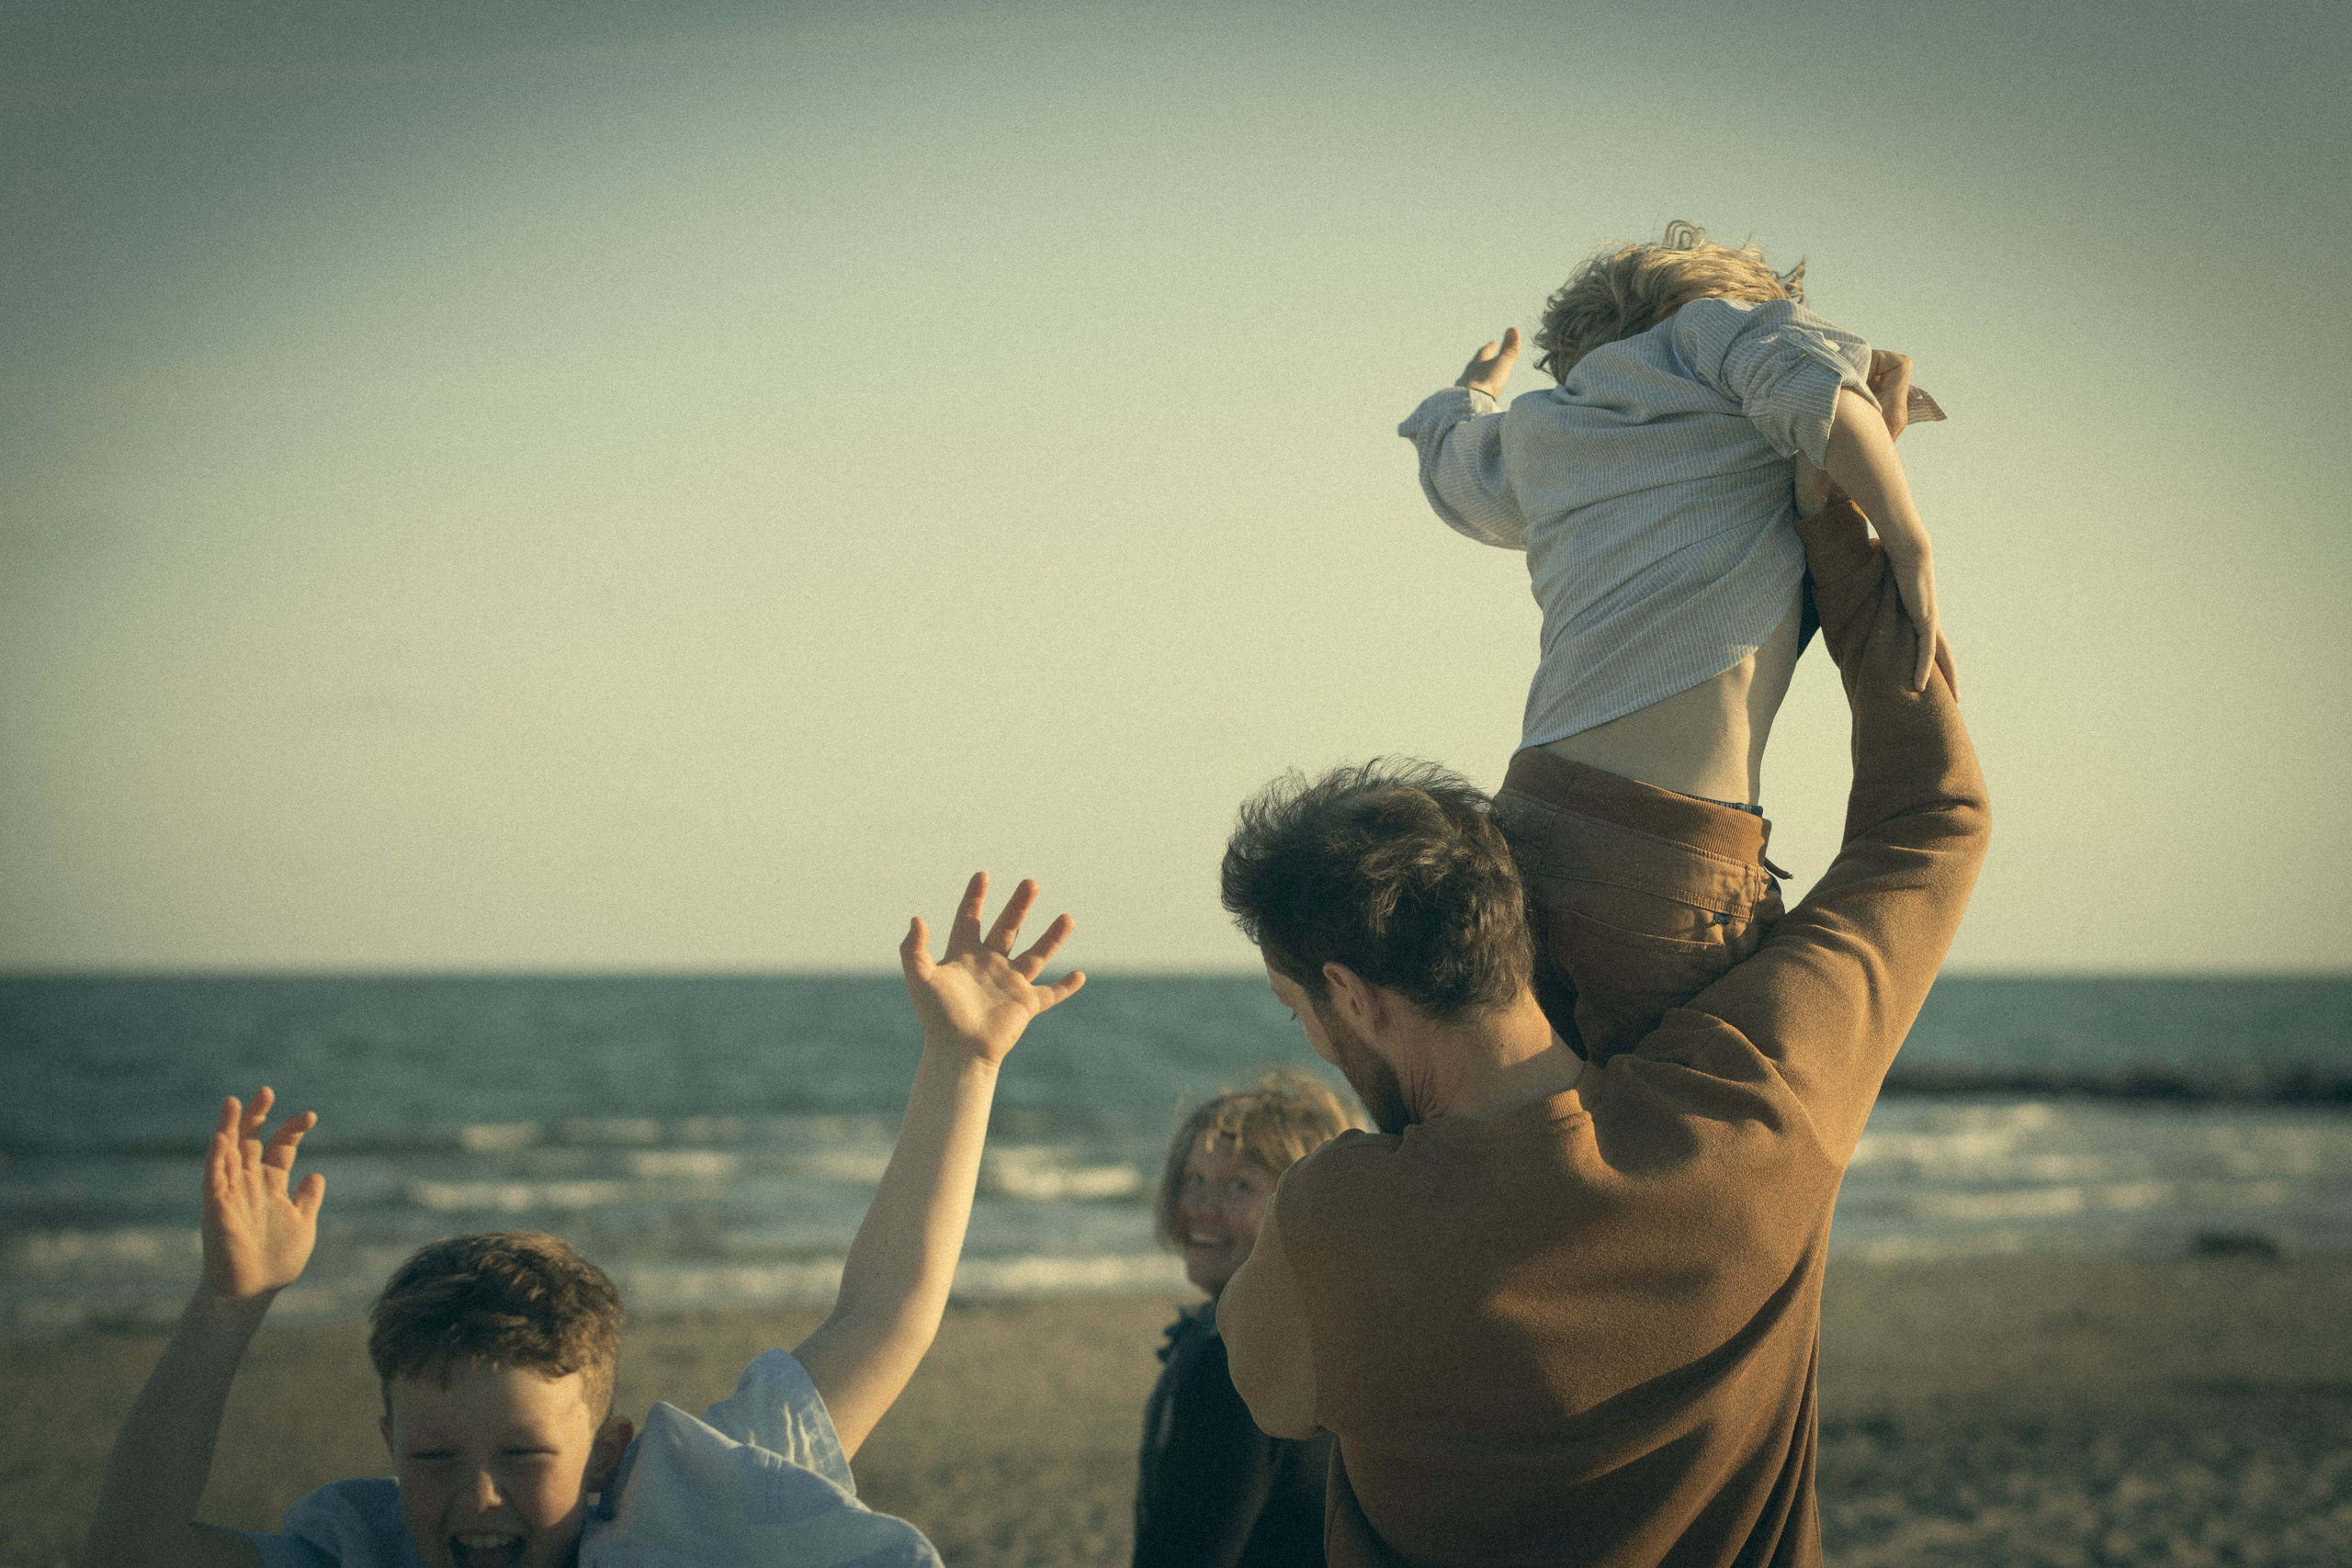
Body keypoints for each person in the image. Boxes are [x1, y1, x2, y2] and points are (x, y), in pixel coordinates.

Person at [1212, 499, 1990, 1566]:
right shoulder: (1750, 1113)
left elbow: (1265, 1390)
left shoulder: (1336, 1222)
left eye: (1296, 1009)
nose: (1309, 1039)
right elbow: (1930, 825)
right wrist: (1842, 533)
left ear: (1354, 997)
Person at [86, 873, 1084, 1568]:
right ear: (386, 1443)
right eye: (433, 1458)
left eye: (523, 1456)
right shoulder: (360, 1551)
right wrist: (229, 1304)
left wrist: (965, 1062)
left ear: (607, 1452)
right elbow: (133, 1555)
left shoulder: (699, 1512)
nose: (477, 1496)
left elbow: (884, 1313)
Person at [1396, 221, 1952, 1057]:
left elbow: (1453, 474)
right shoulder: (1708, 333)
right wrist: (1908, 540)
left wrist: (1467, 396)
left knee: (1537, 1112)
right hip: (1667, 849)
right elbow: (1816, 385)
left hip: (1530, 818)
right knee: (1669, 1131)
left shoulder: (1547, 425)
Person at [1135, 1069, 1361, 1568]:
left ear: (1306, 1205)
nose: (1200, 1207)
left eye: (1239, 1184)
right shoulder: (1325, 1330)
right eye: (1194, 1178)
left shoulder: (1244, 1363)